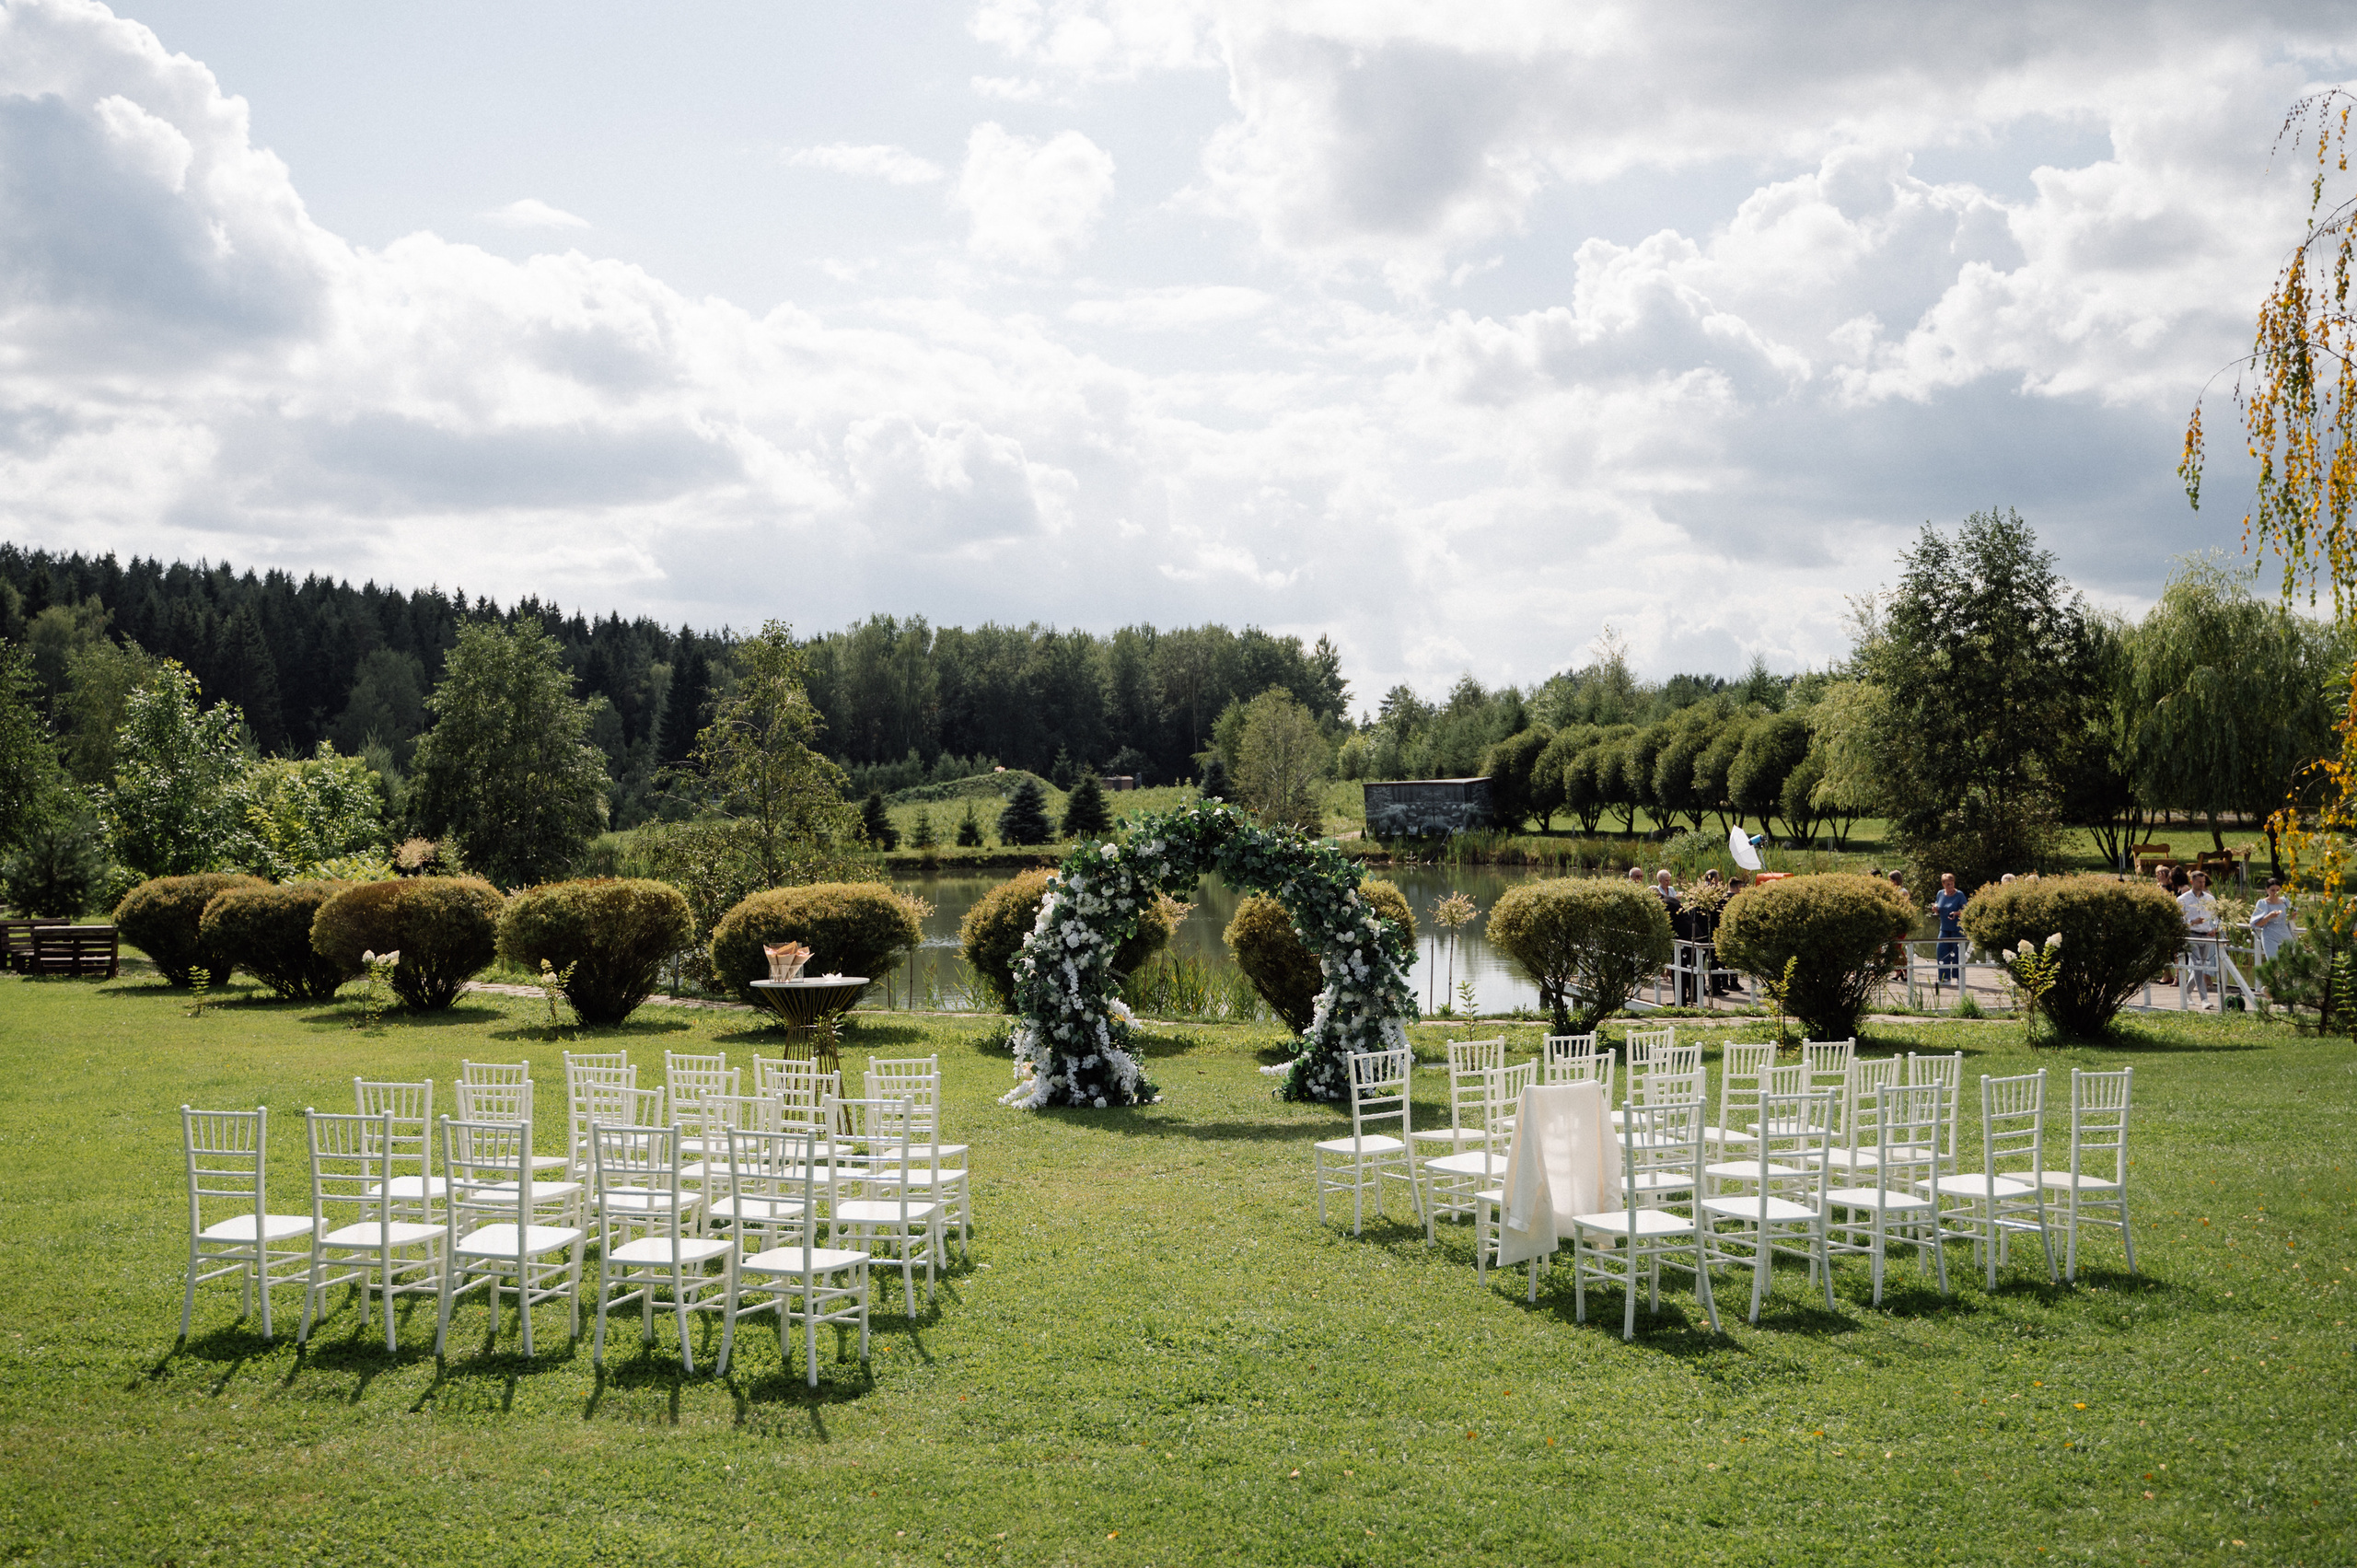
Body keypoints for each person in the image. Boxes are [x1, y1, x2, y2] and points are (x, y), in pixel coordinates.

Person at [2178, 867, 2221, 1005]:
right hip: (2191, 935)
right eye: (2199, 882)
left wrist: (2215, 927)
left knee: (2199, 966)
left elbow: (2216, 916)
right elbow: (2178, 919)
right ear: (2192, 882)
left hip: (2206, 934)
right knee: (2197, 964)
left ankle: (2187, 992)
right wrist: (2191, 922)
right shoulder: (2182, 899)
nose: (2202, 884)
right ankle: (2204, 999)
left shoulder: (2210, 898)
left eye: (2203, 882)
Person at [1933, 872, 1967, 987]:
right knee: (1941, 951)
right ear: (1943, 884)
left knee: (1957, 954)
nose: (1951, 887)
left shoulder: (1959, 895)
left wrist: (1957, 913)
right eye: (1948, 885)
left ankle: (1958, 977)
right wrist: (1935, 909)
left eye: (1952, 884)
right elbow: (1939, 907)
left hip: (1957, 929)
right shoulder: (1940, 894)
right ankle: (1944, 977)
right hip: (1944, 928)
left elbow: (1966, 911)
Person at [2252, 879, 2295, 963]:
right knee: (2274, 963)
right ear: (2267, 890)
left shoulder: (2285, 901)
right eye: (2272, 890)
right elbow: (2257, 923)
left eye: (2278, 890)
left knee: (2292, 961)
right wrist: (2269, 916)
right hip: (2270, 935)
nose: (2275, 892)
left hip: (2285, 932)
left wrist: (2292, 915)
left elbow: (2289, 917)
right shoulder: (2263, 903)